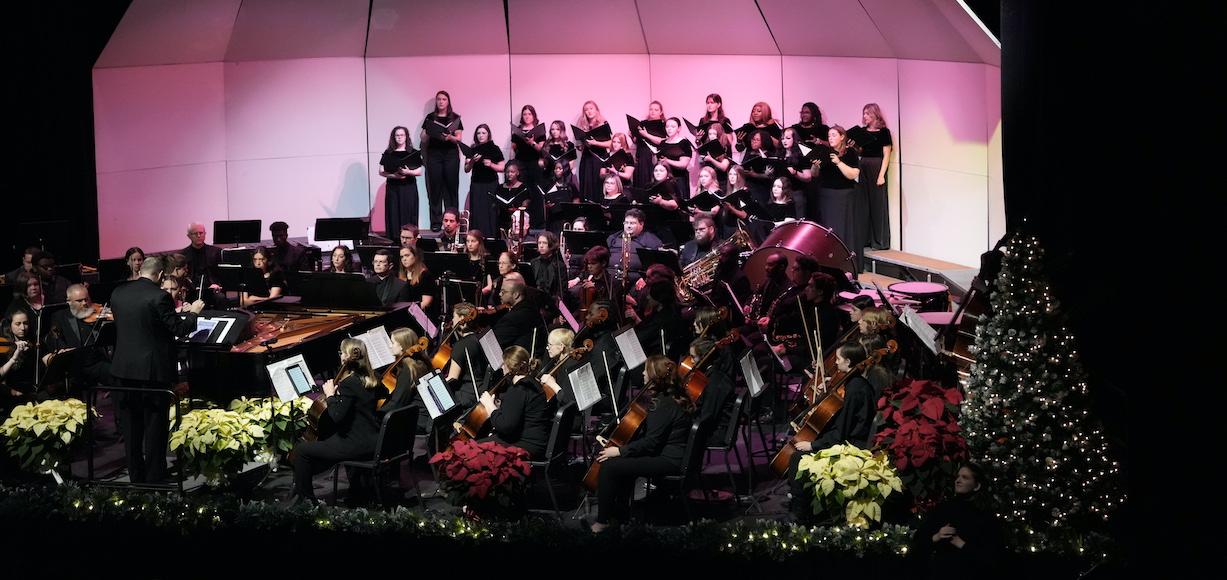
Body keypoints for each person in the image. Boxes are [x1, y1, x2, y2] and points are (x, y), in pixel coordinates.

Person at [110, 256, 205, 483]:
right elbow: (179, 328)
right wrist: (195, 313)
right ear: (161, 275)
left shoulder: (118, 293)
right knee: (154, 426)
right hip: (151, 372)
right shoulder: (159, 296)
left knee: (132, 428)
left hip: (122, 370)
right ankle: (154, 476)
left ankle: (136, 476)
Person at [591, 354, 696, 532]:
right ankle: (621, 513)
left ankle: (603, 521)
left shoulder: (662, 404)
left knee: (609, 467)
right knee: (624, 463)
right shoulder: (674, 396)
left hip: (669, 460)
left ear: (656, 375)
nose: (643, 373)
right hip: (676, 454)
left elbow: (651, 443)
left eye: (646, 370)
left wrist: (620, 451)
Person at [785, 341, 883, 521]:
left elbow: (841, 433)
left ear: (848, 361)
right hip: (849, 437)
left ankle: (801, 510)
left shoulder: (854, 389)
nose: (835, 363)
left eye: (838, 359)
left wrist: (813, 444)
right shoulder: (857, 383)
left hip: (852, 445)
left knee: (797, 458)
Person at [288, 338, 380, 502]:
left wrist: (331, 395)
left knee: (302, 451)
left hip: (355, 444)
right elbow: (382, 394)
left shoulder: (349, 383)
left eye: (342, 353)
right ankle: (357, 490)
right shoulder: (373, 378)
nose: (341, 356)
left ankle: (308, 501)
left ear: (346, 357)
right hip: (374, 440)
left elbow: (337, 416)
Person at [912, 463, 1004, 576]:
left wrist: (961, 544)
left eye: (965, 477)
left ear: (977, 486)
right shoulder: (944, 509)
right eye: (958, 476)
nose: (958, 481)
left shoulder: (985, 517)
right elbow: (919, 542)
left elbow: (991, 559)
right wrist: (937, 536)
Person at [477, 345, 553, 460]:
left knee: (472, 451)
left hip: (526, 445)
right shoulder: (534, 383)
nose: (502, 367)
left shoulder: (517, 390)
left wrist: (489, 405)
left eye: (504, 364)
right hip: (538, 441)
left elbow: (506, 427)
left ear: (511, 369)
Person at [43, 284, 114, 393]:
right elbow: (53, 337)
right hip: (76, 365)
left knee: (116, 373)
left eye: (86, 299)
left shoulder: (99, 313)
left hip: (98, 362)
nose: (84, 303)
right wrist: (65, 351)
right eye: (79, 301)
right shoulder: (59, 316)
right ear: (69, 301)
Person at [815, 125, 863, 270]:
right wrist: (815, 166)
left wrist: (838, 162)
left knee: (843, 229)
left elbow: (853, 175)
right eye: (829, 136)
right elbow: (815, 175)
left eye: (834, 135)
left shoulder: (850, 154)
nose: (830, 138)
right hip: (826, 195)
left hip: (844, 195)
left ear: (842, 136)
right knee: (828, 230)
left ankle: (847, 264)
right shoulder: (824, 153)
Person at [856, 104, 893, 250]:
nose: (864, 116)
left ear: (874, 114)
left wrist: (882, 175)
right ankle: (865, 239)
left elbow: (886, 155)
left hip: (877, 166)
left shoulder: (884, 132)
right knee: (863, 203)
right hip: (863, 165)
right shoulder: (863, 132)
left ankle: (879, 241)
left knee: (878, 204)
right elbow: (860, 152)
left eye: (867, 113)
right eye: (863, 113)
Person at [382, 327, 432, 431]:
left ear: (401, 346)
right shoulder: (420, 362)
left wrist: (375, 414)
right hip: (426, 416)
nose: (390, 346)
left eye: (392, 343)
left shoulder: (408, 369)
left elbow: (398, 403)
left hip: (418, 420)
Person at [464, 123, 506, 237]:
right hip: (477, 185)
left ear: (488, 135)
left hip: (491, 184)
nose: (481, 136)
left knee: (491, 212)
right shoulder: (472, 149)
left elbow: (502, 168)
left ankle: (492, 237)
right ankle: (477, 237)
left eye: (483, 133)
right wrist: (472, 160)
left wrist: (491, 164)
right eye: (478, 133)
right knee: (477, 212)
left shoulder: (494, 149)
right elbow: (466, 169)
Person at [606, 208, 663, 285]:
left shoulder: (652, 241)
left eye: (632, 223)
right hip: (609, 276)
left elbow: (658, 266)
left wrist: (647, 278)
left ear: (641, 224)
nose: (628, 226)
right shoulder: (613, 238)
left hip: (635, 280)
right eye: (626, 223)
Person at [490, 280, 546, 355]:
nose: (500, 294)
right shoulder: (530, 307)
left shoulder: (513, 318)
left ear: (516, 295)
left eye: (503, 291)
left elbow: (494, 343)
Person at [1, 311, 40, 410]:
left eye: (25, 323)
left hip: (34, 391)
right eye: (18, 324)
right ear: (10, 325)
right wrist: (15, 356)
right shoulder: (4, 346)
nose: (22, 328)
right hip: (11, 394)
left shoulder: (36, 343)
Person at [181, 222, 225, 307]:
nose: (198, 236)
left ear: (205, 234)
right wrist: (193, 288)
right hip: (192, 291)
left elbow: (222, 274)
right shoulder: (183, 255)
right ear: (189, 236)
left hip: (212, 289)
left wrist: (217, 285)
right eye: (195, 233)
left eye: (201, 233)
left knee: (221, 299)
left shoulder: (216, 252)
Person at [576, 100, 612, 203]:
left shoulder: (603, 124)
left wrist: (596, 143)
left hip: (599, 158)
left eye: (591, 108)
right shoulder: (583, 126)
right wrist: (580, 145)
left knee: (597, 186)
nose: (589, 111)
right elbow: (581, 147)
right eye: (586, 110)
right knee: (586, 185)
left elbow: (611, 143)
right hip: (587, 158)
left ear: (596, 110)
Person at [632, 100, 665, 188]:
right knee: (641, 179)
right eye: (651, 109)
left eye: (656, 109)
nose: (653, 111)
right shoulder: (643, 123)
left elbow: (662, 141)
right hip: (642, 154)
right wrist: (633, 135)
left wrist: (646, 135)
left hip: (654, 155)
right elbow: (636, 141)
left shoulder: (664, 125)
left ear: (661, 112)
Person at [398, 245, 438, 316]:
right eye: (402, 257)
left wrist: (409, 312)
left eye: (407, 255)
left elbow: (426, 303)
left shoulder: (425, 275)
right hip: (403, 313)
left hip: (420, 314)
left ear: (415, 257)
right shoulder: (399, 276)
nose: (404, 259)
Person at [512, 104, 545, 187]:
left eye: (529, 114)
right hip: (520, 164)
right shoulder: (517, 131)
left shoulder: (539, 130)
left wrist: (532, 143)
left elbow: (542, 150)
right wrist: (511, 164)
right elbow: (512, 149)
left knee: (534, 188)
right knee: (522, 188)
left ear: (533, 116)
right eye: (525, 114)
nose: (527, 117)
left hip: (535, 164)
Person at [658, 117, 694, 190]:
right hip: (664, 178)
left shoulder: (684, 143)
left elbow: (683, 164)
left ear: (679, 128)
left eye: (673, 126)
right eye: (667, 126)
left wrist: (667, 161)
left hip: (679, 178)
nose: (669, 129)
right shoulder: (662, 143)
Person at [531, 231, 567, 302]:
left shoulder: (560, 266)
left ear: (551, 244)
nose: (541, 246)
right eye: (539, 243)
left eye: (544, 243)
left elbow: (563, 291)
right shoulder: (533, 262)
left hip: (552, 302)